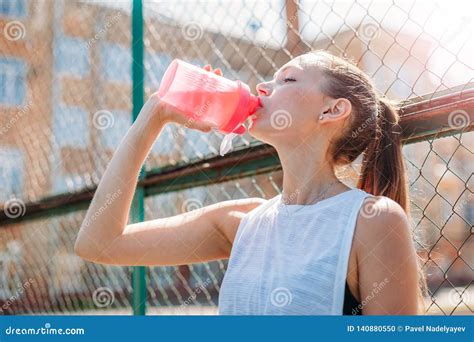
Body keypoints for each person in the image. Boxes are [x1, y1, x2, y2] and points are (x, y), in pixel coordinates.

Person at [74, 50, 427, 315]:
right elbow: (99, 243)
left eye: (287, 79)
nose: (261, 86)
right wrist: (154, 114)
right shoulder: (241, 223)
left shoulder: (374, 221)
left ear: (332, 110)